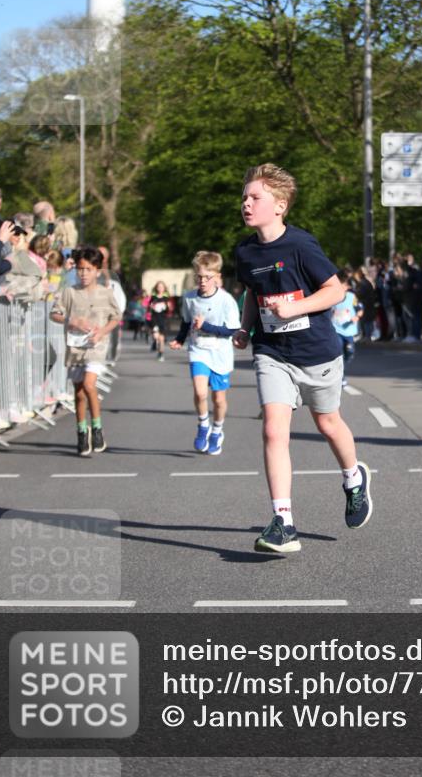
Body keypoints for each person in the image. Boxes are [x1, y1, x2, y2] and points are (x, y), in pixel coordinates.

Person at [234, 162, 372, 554]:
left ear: (279, 205)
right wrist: (245, 328)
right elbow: (253, 293)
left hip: (317, 353)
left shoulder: (301, 245)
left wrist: (295, 309)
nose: (246, 203)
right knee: (274, 430)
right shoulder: (244, 251)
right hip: (272, 351)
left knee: (328, 423)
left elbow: (335, 291)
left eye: (255, 197)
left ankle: (353, 479)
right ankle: (283, 521)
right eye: (244, 197)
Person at [50, 246, 121, 456]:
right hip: (75, 348)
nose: (84, 274)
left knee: (90, 385)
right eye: (81, 269)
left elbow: (115, 317)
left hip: (96, 347)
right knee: (79, 393)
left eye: (89, 269)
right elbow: (54, 314)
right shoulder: (69, 292)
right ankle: (82, 430)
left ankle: (97, 427)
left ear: (97, 271)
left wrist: (102, 333)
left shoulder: (105, 293)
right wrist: (71, 320)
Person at [170, 251, 240, 456]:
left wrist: (207, 326)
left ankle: (217, 431)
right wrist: (179, 339)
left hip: (220, 353)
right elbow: (185, 321)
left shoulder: (226, 301)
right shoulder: (189, 298)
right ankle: (203, 425)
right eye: (198, 277)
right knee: (200, 393)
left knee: (218, 399)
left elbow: (232, 330)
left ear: (217, 276)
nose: (202, 281)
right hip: (198, 350)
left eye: (207, 277)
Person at [330, 268, 363, 387]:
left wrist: (357, 317)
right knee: (339, 352)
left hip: (348, 331)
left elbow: (360, 309)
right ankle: (342, 376)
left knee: (349, 352)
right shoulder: (333, 297)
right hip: (336, 329)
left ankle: (344, 365)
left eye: (343, 285)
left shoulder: (351, 297)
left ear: (347, 286)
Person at [148, 280, 170, 361]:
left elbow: (168, 311)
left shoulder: (166, 298)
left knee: (161, 338)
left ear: (164, 288)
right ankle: (154, 342)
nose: (160, 288)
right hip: (155, 319)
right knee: (155, 336)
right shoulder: (153, 298)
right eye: (158, 287)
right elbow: (149, 307)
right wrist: (151, 307)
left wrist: (168, 306)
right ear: (156, 288)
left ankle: (161, 354)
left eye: (162, 287)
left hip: (163, 319)